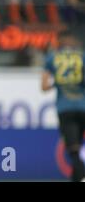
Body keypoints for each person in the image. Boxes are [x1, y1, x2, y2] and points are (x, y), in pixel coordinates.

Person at [42, 29, 85, 182]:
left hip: (65, 108)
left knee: (73, 151)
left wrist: (59, 83)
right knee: (77, 148)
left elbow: (44, 86)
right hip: (83, 107)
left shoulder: (52, 58)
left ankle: (82, 177)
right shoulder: (82, 56)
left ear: (59, 41)